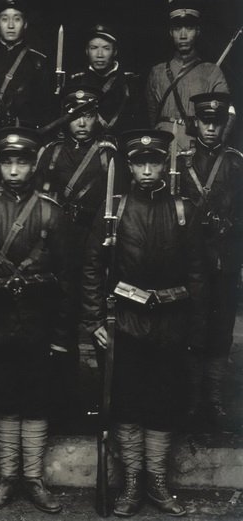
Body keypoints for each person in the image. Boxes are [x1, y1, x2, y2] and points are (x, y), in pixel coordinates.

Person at [82, 129, 207, 517]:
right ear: (130, 166)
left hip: (171, 324)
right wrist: (92, 321)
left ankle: (156, 480)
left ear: (164, 164)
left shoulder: (183, 209)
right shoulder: (113, 210)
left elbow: (198, 272)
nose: (148, 170)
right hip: (125, 324)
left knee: (163, 402)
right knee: (128, 404)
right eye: (140, 163)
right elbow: (91, 268)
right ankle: (132, 481)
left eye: (155, 162)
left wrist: (196, 326)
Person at [0, 127, 68, 514]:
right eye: (8, 162)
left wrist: (61, 333)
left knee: (36, 399)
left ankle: (33, 478)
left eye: (22, 163)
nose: (14, 170)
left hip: (38, 320)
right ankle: (7, 479)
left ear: (34, 166)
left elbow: (66, 278)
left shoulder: (51, 210)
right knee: (4, 398)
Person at [35, 84, 120, 416]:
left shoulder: (107, 155)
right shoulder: (51, 153)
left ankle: (105, 395)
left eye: (87, 115)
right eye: (74, 116)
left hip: (95, 238)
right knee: (62, 314)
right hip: (60, 241)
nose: (81, 123)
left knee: (99, 314)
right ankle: (62, 397)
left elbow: (116, 202)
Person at [177, 93, 243, 425]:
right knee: (192, 326)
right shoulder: (180, 162)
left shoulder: (236, 162)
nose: (211, 129)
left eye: (217, 123)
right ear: (196, 123)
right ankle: (189, 399)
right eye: (205, 122)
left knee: (220, 327)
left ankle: (214, 399)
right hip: (191, 262)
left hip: (225, 259)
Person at [145, 0, 233, 151]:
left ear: (198, 31)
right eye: (178, 28)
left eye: (189, 28)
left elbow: (227, 114)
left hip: (196, 147)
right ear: (171, 32)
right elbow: (152, 117)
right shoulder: (157, 72)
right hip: (163, 146)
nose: (183, 35)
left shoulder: (212, 72)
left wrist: (213, 148)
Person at [0, 0, 53, 154]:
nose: (11, 25)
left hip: (24, 137)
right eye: (5, 19)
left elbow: (45, 109)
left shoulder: (38, 62)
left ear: (25, 24)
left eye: (16, 19)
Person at [69, 24, 141, 135]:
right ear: (87, 51)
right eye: (94, 48)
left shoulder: (130, 82)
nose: (99, 54)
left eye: (106, 48)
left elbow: (137, 123)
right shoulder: (76, 81)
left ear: (115, 51)